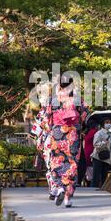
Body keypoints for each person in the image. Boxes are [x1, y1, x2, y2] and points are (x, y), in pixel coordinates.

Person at [35, 76, 89, 207]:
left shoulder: (52, 100)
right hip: (73, 136)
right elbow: (85, 117)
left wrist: (54, 128)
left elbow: (46, 120)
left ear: (59, 85)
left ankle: (58, 188)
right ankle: (67, 198)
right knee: (72, 165)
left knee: (56, 162)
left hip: (57, 135)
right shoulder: (78, 100)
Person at [91, 118, 111, 188]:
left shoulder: (110, 135)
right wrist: (103, 143)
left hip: (107, 159)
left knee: (104, 179)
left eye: (110, 123)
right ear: (103, 124)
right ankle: (92, 192)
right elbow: (95, 144)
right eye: (107, 122)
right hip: (98, 158)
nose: (108, 124)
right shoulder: (99, 133)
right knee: (96, 178)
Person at [84, 120, 98, 185]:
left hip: (87, 151)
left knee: (88, 168)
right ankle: (90, 182)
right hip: (91, 152)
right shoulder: (94, 132)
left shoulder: (88, 132)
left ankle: (88, 182)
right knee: (92, 169)